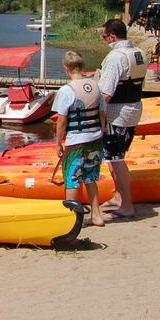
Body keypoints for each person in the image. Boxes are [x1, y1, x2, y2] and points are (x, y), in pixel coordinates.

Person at [98, 18, 146, 219]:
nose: (104, 40)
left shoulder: (115, 57)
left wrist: (94, 115)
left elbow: (106, 93)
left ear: (111, 36)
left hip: (117, 113)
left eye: (104, 36)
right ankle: (119, 196)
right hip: (134, 108)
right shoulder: (138, 53)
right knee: (113, 156)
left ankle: (127, 205)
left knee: (116, 159)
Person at [53, 50, 107, 227]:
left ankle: (72, 220)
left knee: (72, 178)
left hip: (76, 141)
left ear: (66, 68)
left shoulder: (66, 90)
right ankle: (97, 216)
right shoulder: (95, 86)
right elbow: (102, 113)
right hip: (95, 138)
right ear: (82, 67)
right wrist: (101, 132)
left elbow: (62, 120)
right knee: (90, 177)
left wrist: (58, 142)